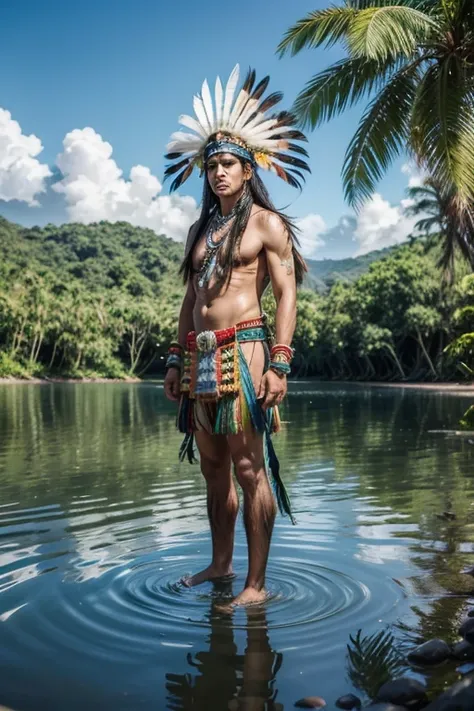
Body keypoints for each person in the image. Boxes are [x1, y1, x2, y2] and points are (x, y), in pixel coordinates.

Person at [163, 64, 310, 607]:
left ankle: (256, 584)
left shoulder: (268, 225)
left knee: (250, 468)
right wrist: (175, 362)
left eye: (228, 164)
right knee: (212, 468)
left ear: (249, 170)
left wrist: (280, 363)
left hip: (247, 352)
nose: (218, 172)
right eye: (211, 165)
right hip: (201, 360)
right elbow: (190, 301)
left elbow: (287, 295)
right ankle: (221, 566)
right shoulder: (200, 232)